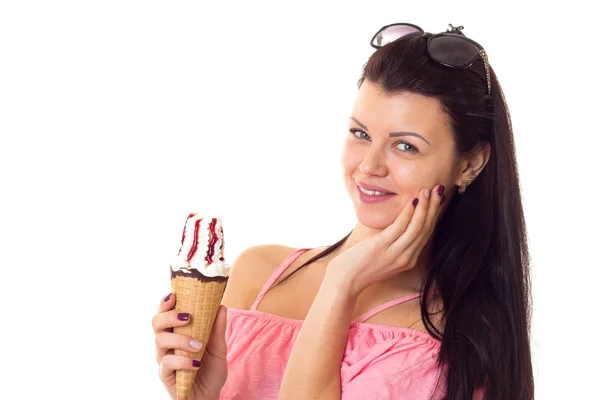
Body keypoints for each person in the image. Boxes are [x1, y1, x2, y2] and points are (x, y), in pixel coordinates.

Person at [152, 22, 534, 400]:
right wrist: (198, 396)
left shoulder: (456, 339)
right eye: (361, 134)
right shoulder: (258, 273)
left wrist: (342, 283)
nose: (369, 167)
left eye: (406, 147)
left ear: (470, 164)